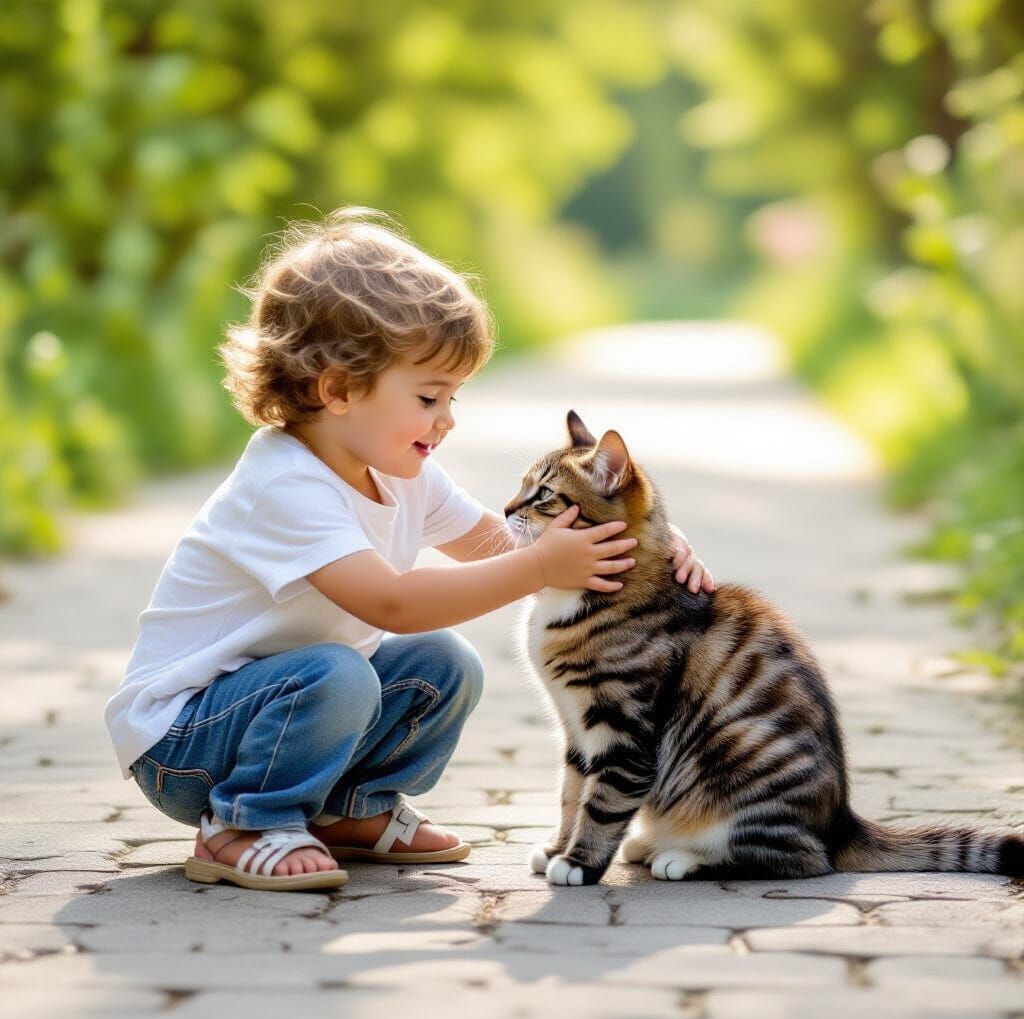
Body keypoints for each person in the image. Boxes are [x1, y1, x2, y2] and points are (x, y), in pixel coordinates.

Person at [103, 207, 715, 892]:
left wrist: (644, 541)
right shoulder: (283, 484)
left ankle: (350, 811)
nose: (447, 418)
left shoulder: (404, 473)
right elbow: (391, 603)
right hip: (187, 743)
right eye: (429, 396)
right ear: (337, 389)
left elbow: (494, 542)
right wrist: (540, 567)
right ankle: (244, 823)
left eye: (453, 396)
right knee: (339, 673)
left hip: (287, 710)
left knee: (443, 664)